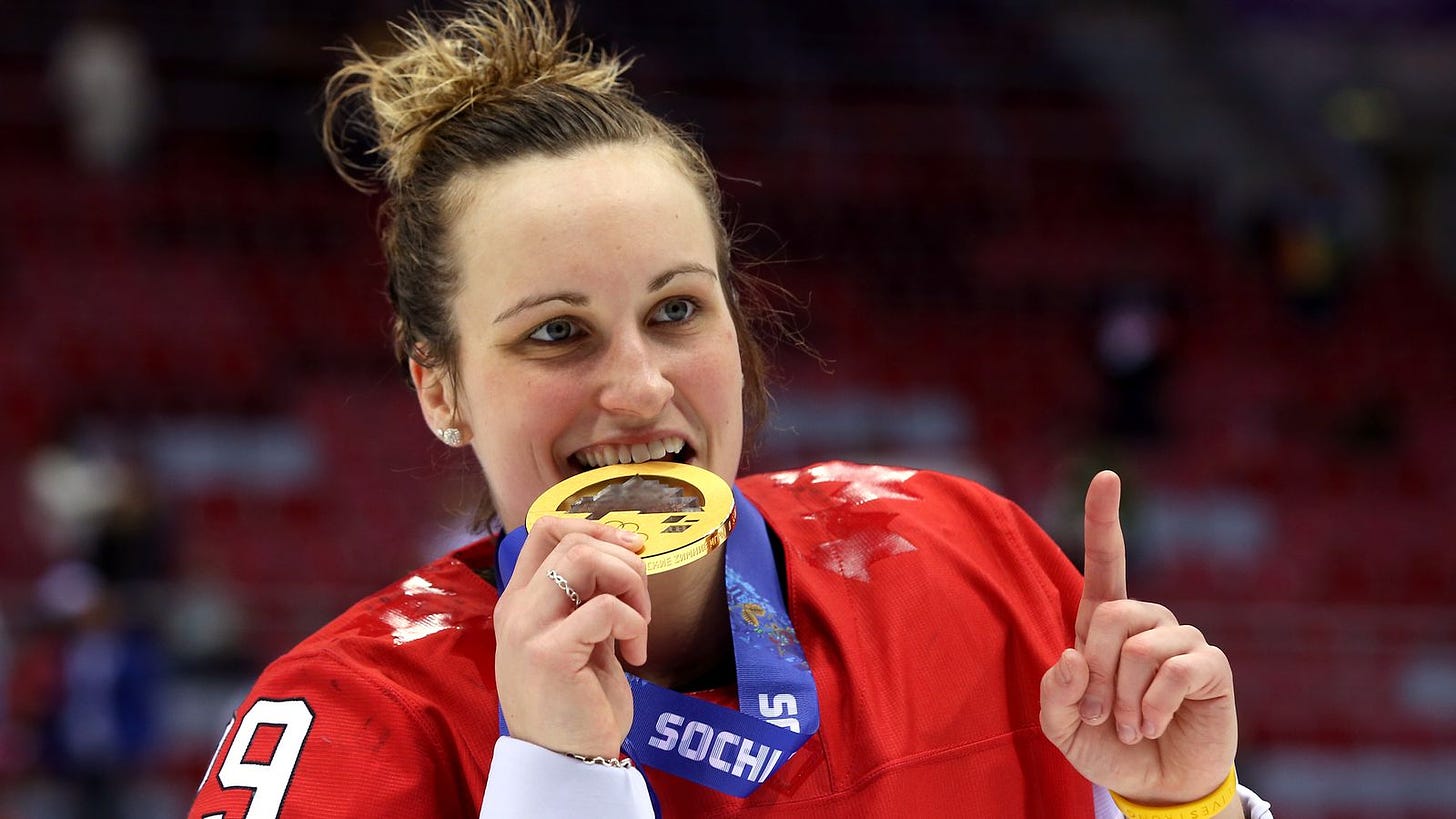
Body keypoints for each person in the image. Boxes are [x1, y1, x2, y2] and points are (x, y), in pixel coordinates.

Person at [189, 2, 1273, 816]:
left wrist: (1187, 809)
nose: (638, 388)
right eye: (555, 333)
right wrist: (557, 782)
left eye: (673, 311)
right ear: (439, 385)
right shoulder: (343, 730)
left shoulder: (966, 567)